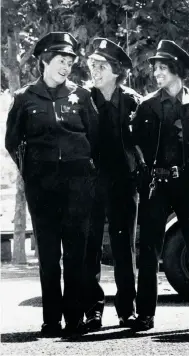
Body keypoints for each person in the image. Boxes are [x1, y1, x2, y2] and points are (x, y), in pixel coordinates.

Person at [4, 32, 98, 337]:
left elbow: (96, 139)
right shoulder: (24, 97)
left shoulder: (82, 97)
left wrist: (86, 172)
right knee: (47, 255)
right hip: (41, 185)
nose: (66, 66)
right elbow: (12, 141)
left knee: (75, 253)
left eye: (70, 61)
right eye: (61, 60)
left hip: (77, 184)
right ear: (45, 61)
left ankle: (74, 319)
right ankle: (51, 320)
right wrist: (31, 171)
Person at [130, 40, 189, 331]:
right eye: (155, 68)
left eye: (163, 68)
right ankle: (144, 315)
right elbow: (139, 146)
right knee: (149, 250)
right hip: (157, 183)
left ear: (176, 69)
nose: (157, 73)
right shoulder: (147, 106)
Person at [83, 38, 141, 330]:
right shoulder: (82, 98)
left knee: (123, 247)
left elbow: (143, 142)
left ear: (117, 71)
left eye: (102, 66)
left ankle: (126, 309)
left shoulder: (132, 100)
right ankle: (92, 310)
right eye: (93, 65)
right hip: (91, 184)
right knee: (90, 246)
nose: (95, 70)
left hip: (124, 183)